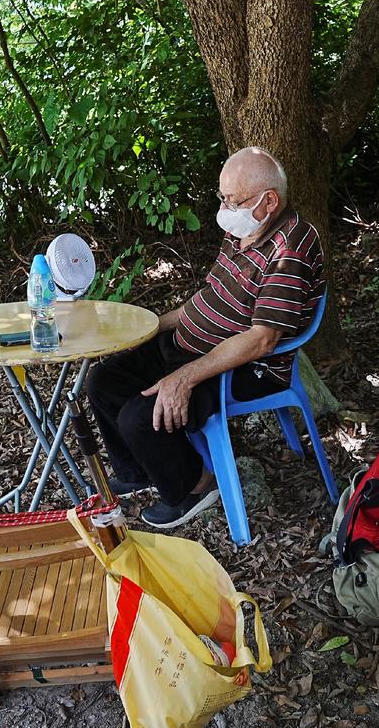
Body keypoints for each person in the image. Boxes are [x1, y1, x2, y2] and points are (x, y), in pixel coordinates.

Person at [85, 147, 325, 528]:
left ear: (269, 201)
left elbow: (262, 340)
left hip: (247, 370)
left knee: (139, 417)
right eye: (223, 197)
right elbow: (211, 296)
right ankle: (138, 471)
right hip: (190, 345)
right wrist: (152, 327)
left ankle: (194, 488)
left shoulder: (290, 248)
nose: (226, 209)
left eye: (234, 200)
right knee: (103, 380)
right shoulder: (242, 230)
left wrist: (184, 378)